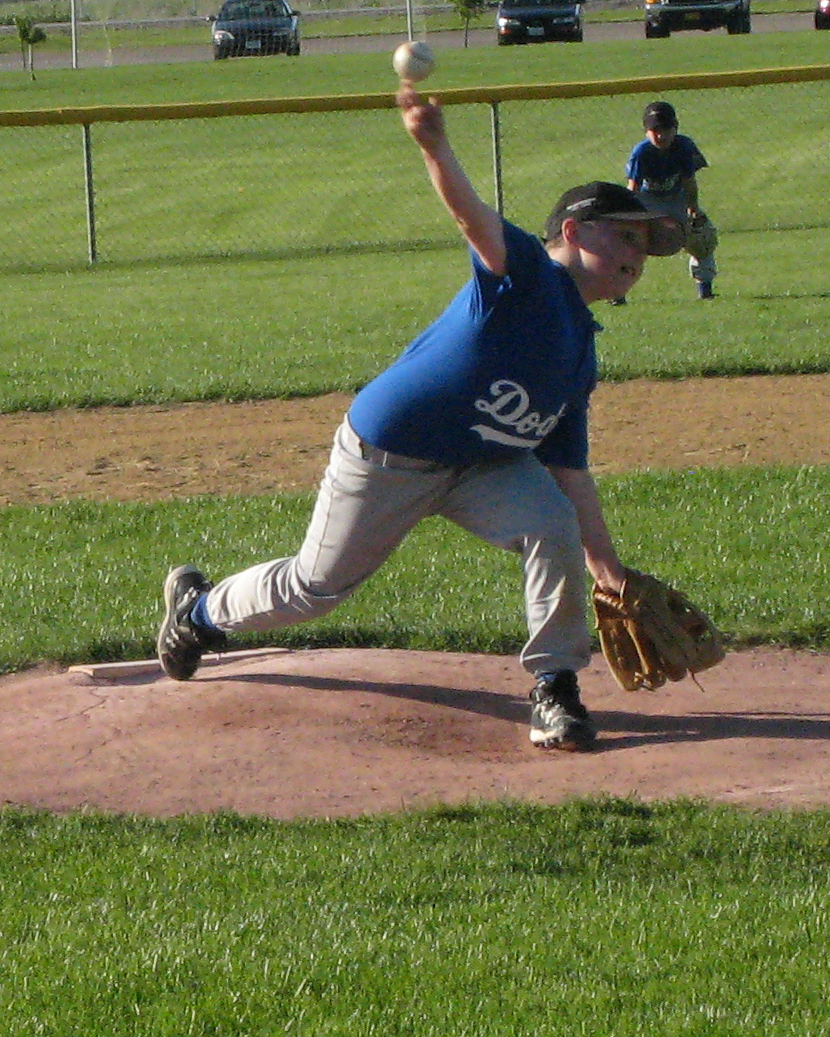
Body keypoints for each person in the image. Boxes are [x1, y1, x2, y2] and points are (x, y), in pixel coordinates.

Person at [153, 85, 684, 751]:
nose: (640, 252)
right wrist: (434, 144)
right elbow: (471, 217)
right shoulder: (524, 274)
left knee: (551, 519)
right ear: (572, 231)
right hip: (387, 455)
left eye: (648, 243)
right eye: (627, 233)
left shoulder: (580, 353)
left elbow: (569, 474)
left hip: (479, 469)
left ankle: (555, 688)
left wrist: (608, 569)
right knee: (313, 587)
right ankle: (200, 610)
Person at [625, 100, 719, 299]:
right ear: (646, 131)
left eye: (666, 129)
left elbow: (689, 182)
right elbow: (632, 189)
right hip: (646, 200)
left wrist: (693, 208)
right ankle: (617, 293)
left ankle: (705, 289)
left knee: (702, 237)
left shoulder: (684, 146)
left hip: (676, 198)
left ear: (675, 128)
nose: (661, 135)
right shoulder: (641, 152)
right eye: (655, 130)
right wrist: (629, 215)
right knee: (627, 244)